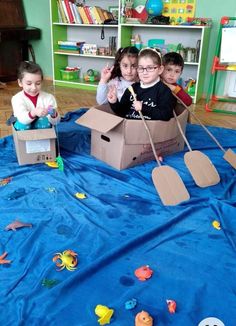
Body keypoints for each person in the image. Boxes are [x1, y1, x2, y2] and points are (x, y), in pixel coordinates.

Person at [107, 47, 176, 120]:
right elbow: (122, 112)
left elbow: (166, 116)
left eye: (150, 68)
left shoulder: (164, 91)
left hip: (151, 130)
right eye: (141, 68)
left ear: (160, 69)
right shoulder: (132, 88)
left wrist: (143, 107)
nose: (145, 72)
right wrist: (114, 102)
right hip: (129, 129)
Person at [11, 61, 60, 130]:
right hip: (24, 124)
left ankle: (41, 140)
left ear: (42, 82)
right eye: (29, 84)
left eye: (38, 83)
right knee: (22, 125)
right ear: (20, 83)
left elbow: (56, 122)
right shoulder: (17, 99)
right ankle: (27, 141)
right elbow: (22, 119)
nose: (34, 87)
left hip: (40, 128)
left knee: (45, 122)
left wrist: (53, 114)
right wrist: (33, 113)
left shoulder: (49, 98)